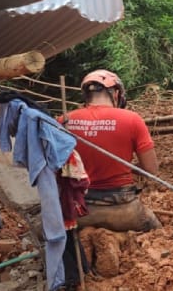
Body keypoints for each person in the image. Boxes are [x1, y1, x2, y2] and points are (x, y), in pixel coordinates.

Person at [65, 69, 162, 232]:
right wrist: (126, 166)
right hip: (123, 210)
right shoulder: (132, 119)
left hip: (78, 210)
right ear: (116, 93)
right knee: (157, 233)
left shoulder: (65, 120)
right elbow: (151, 169)